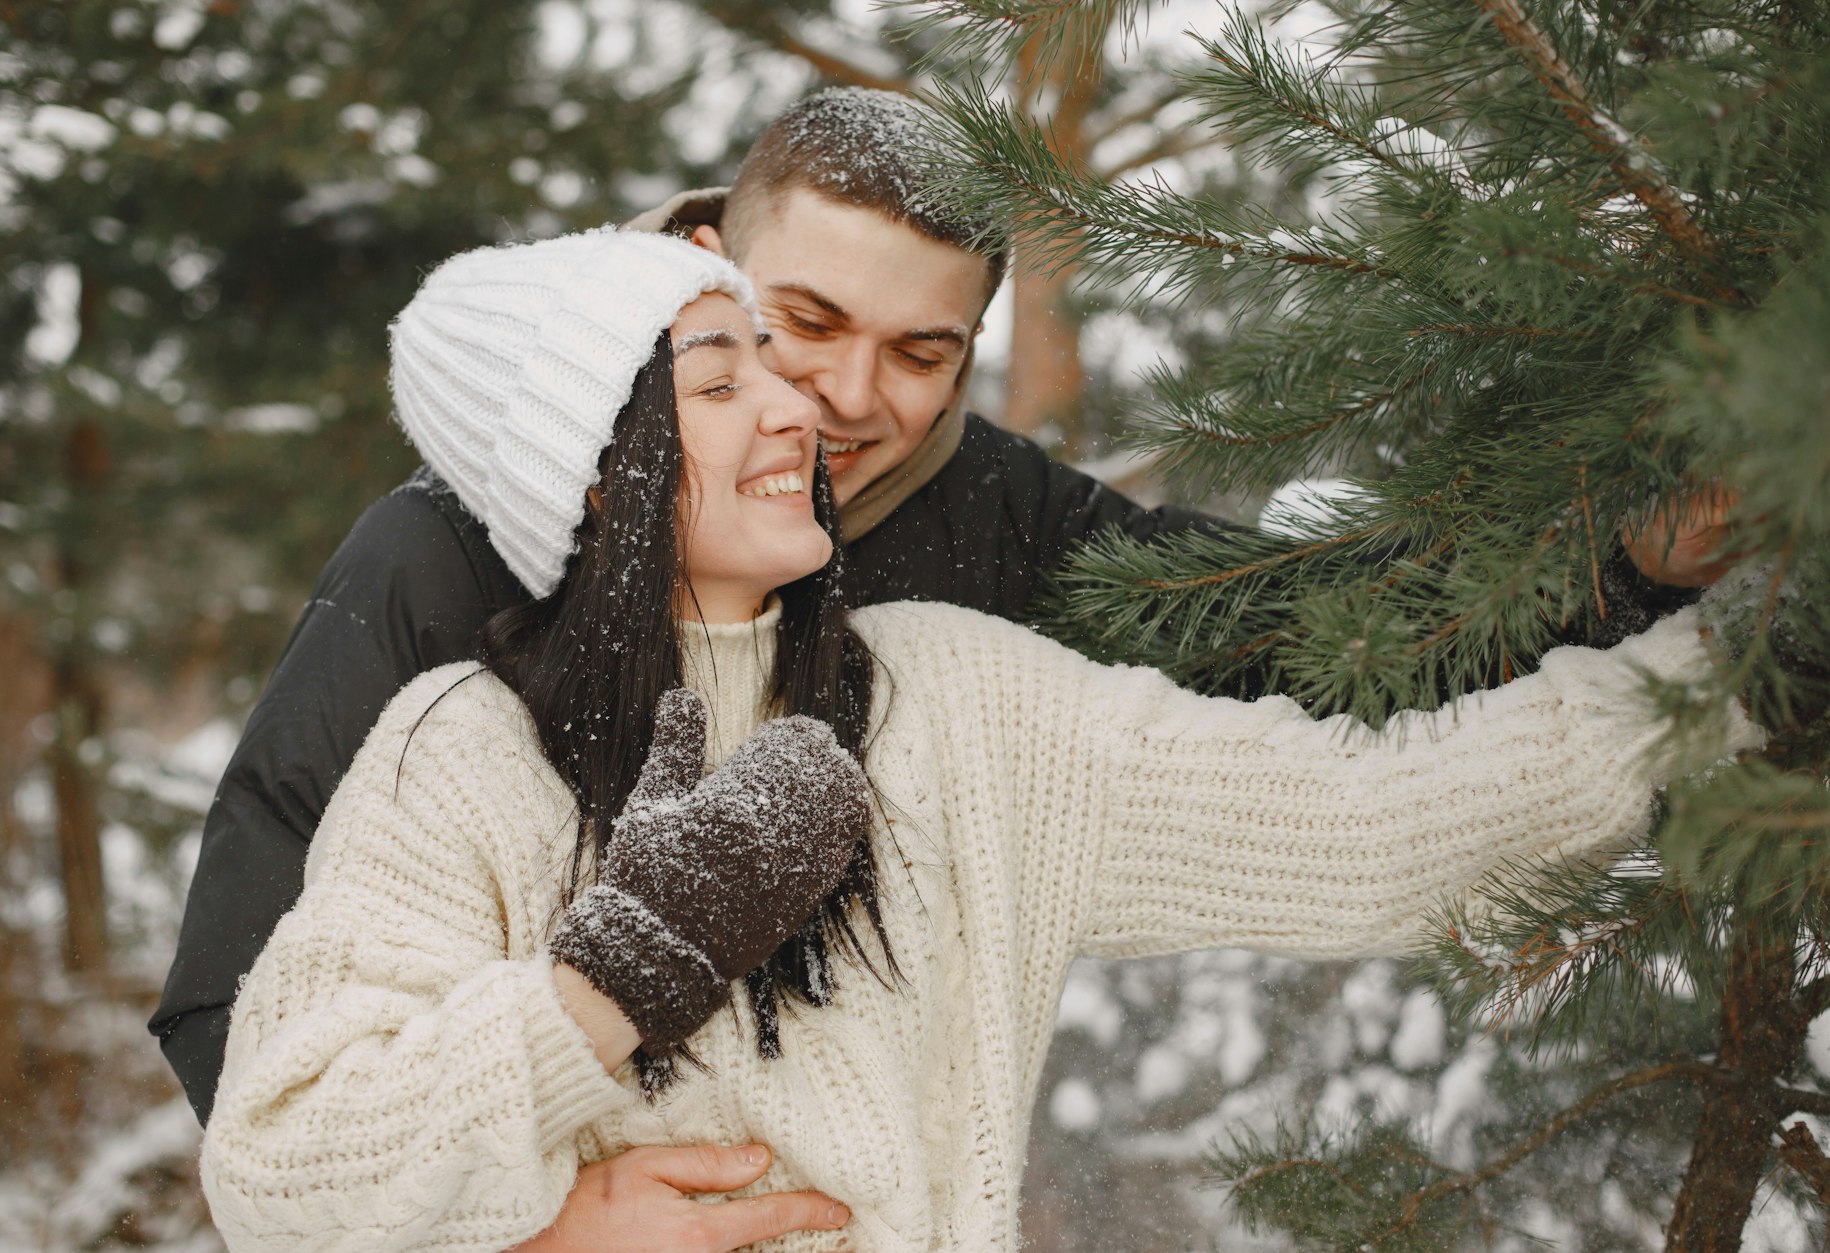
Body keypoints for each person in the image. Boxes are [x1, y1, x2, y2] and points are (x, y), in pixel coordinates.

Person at [151, 88, 1722, 1155]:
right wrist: (539, 1229)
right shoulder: (451, 560)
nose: (848, 398)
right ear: (704, 264)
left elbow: (1303, 637)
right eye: (806, 323)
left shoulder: (996, 533)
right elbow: (240, 1020)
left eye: (923, 352)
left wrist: (1635, 567)